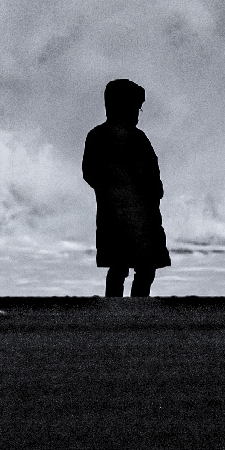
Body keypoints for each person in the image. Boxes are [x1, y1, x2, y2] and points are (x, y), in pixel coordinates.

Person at [82, 79, 170, 297]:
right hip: (134, 214)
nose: (138, 113)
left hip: (116, 213)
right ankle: (134, 305)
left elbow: (90, 173)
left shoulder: (99, 136)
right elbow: (93, 173)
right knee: (139, 266)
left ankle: (118, 306)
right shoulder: (134, 138)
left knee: (121, 266)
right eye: (135, 106)